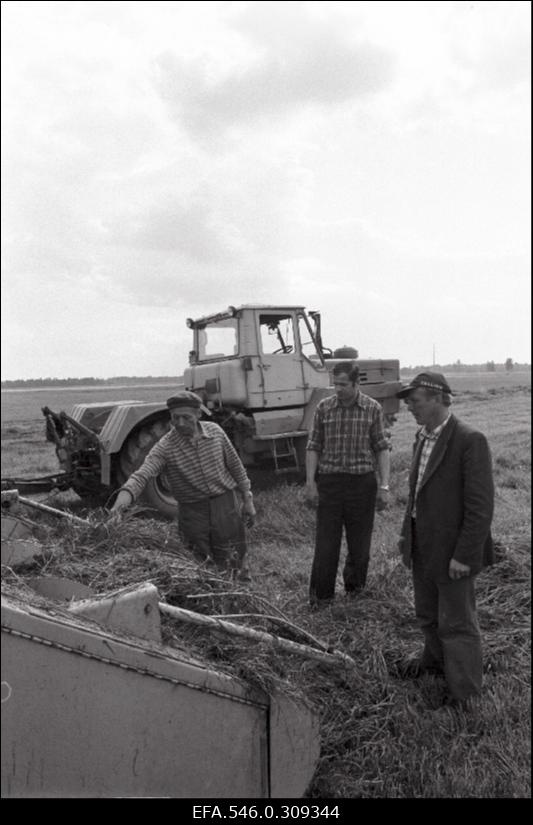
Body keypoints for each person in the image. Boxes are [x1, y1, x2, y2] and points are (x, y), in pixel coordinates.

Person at [396, 372, 494, 706]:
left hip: (454, 552)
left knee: (457, 624)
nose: (410, 407)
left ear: (438, 398)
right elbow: (416, 496)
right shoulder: (422, 438)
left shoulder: (470, 440)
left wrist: (465, 555)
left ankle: (466, 696)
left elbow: (480, 508)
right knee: (428, 615)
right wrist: (406, 538)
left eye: (415, 401)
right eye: (408, 402)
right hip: (424, 547)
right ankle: (436, 670)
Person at [111, 391, 256, 579]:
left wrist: (248, 498)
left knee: (234, 557)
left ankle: (241, 598)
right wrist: (117, 509)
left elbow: (235, 466)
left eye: (186, 418)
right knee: (201, 567)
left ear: (198, 415)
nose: (179, 423)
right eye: (175, 418)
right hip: (193, 514)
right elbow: (141, 476)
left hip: (225, 506)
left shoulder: (216, 432)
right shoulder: (166, 446)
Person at [305, 361, 391, 606]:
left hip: (362, 485)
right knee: (326, 544)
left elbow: (382, 449)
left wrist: (384, 486)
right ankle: (321, 598)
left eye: (343, 384)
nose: (338, 389)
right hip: (330, 484)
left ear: (356, 383)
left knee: (359, 544)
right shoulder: (324, 408)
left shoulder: (372, 409)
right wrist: (311, 483)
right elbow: (314, 447)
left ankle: (355, 593)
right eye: (335, 384)